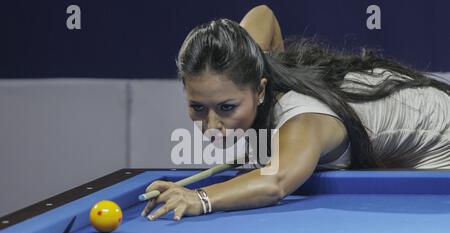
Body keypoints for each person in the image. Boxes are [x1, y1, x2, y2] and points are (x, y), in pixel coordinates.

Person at [142, 5, 450, 221]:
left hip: (442, 135)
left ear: (260, 91)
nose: (211, 125)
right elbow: (263, 13)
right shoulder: (247, 61)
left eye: (227, 107)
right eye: (197, 107)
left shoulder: (300, 118)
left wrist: (199, 198)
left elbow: (273, 183)